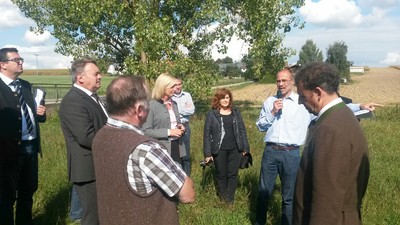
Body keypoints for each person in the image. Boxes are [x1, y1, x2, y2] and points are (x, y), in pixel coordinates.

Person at [254, 65, 376, 225]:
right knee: (263, 193)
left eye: (284, 80)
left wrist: (360, 107)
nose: (281, 84)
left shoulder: (322, 120)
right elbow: (260, 126)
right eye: (278, 81)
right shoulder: (270, 102)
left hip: (291, 153)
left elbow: (325, 196)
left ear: (291, 82)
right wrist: (272, 113)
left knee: (289, 197)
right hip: (271, 152)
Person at [92, 75, 195, 225]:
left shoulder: (99, 137)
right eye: (147, 102)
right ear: (140, 109)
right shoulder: (146, 148)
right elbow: (188, 194)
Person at [293, 62, 370, 225]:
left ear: (317, 92)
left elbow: (325, 203)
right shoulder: (344, 116)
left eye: (302, 95)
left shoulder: (330, 129)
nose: (300, 102)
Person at [0, 47, 46, 225]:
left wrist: (40, 114)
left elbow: (33, 115)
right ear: (3, 65)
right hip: (7, 151)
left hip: (31, 146)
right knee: (6, 197)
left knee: (28, 192)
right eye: (16, 60)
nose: (20, 62)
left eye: (21, 59)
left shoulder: (25, 86)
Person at [59, 59, 108, 225]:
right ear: (80, 78)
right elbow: (87, 137)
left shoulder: (93, 97)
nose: (100, 76)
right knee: (92, 217)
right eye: (96, 74)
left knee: (103, 213)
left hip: (101, 165)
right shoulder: (73, 100)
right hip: (88, 170)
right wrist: (116, 144)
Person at [203, 88, 250, 204]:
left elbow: (242, 130)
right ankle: (223, 199)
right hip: (219, 150)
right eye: (223, 98)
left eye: (227, 97)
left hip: (235, 149)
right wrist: (208, 154)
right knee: (221, 175)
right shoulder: (212, 114)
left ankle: (230, 201)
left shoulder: (236, 112)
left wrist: (245, 148)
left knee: (233, 175)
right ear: (217, 99)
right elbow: (207, 134)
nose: (225, 100)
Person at [142, 73, 186, 164]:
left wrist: (181, 128)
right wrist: (169, 132)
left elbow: (176, 124)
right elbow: (146, 131)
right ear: (163, 87)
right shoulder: (151, 105)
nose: (175, 89)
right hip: (160, 150)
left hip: (177, 146)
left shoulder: (174, 104)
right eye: (172, 86)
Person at [172, 78, 195, 176]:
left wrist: (177, 111)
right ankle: (177, 176)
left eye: (179, 84)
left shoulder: (187, 95)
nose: (177, 87)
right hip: (173, 128)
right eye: (175, 85)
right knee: (175, 154)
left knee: (186, 154)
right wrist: (183, 110)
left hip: (185, 126)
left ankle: (187, 177)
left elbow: (191, 110)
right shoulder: (170, 96)